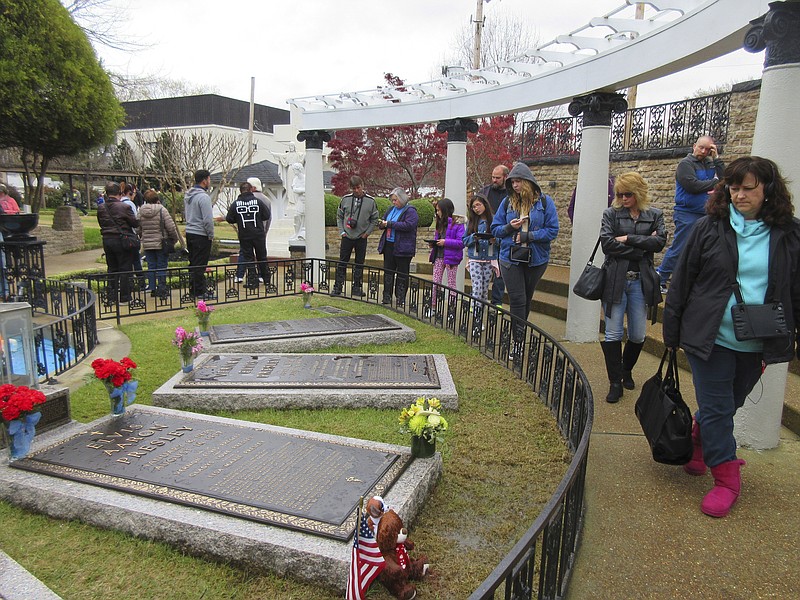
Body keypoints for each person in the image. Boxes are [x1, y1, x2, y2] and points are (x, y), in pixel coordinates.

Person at [663, 156, 800, 518]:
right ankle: (726, 478)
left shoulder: (791, 233)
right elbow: (682, 281)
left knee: (726, 405)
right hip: (710, 337)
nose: (739, 195)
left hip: (760, 340)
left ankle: (698, 440)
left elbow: (796, 290)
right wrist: (672, 330)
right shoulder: (708, 228)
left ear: (768, 190)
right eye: (733, 188)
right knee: (719, 408)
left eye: (748, 188)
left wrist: (791, 335)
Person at [598, 173, 666, 403]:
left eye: (628, 194)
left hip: (640, 280)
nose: (623, 198)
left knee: (637, 334)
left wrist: (627, 238)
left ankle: (626, 370)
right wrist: (641, 247)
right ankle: (615, 382)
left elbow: (660, 243)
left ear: (638, 193)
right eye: (619, 194)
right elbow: (607, 245)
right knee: (613, 332)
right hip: (615, 279)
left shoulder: (654, 214)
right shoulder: (611, 214)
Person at [491, 163, 559, 353]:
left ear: (528, 182)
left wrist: (529, 236)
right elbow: (495, 230)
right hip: (509, 258)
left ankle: (519, 333)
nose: (515, 185)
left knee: (527, 298)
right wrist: (509, 228)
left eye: (518, 181)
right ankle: (518, 341)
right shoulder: (507, 203)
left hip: (536, 258)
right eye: (512, 182)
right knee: (518, 298)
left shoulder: (545, 203)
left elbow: (553, 231)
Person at [657, 135, 725, 293]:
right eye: (701, 147)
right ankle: (661, 276)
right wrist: (716, 182)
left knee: (703, 249)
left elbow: (725, 179)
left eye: (707, 149)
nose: (703, 151)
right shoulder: (685, 164)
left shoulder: (710, 163)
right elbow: (692, 186)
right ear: (694, 146)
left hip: (708, 213)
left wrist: (717, 159)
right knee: (681, 246)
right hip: (687, 213)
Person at [333, 175, 379, 297]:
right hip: (347, 236)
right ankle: (337, 287)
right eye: (354, 188)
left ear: (362, 186)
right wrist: (342, 231)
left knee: (359, 263)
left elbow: (374, 219)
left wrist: (367, 233)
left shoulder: (371, 201)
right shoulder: (345, 199)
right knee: (342, 262)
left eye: (358, 187)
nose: (356, 190)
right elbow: (339, 216)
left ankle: (357, 287)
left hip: (361, 237)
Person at [96, 182, 139, 304]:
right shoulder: (124, 207)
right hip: (121, 239)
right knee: (125, 269)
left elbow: (101, 222)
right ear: (119, 193)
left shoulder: (101, 207)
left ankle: (111, 296)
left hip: (107, 239)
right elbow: (134, 223)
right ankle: (125, 297)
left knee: (112, 268)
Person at [377, 187, 418, 307]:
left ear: (402, 198)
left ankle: (400, 297)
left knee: (402, 273)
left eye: (396, 200)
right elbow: (385, 220)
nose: (394, 202)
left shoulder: (410, 211)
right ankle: (387, 296)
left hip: (403, 247)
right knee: (388, 271)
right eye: (393, 200)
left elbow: (409, 225)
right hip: (389, 244)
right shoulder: (391, 209)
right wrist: (382, 224)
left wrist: (389, 224)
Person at [226, 181, 271, 287]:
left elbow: (229, 218)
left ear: (240, 191)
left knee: (249, 258)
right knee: (262, 257)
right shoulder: (258, 202)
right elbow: (266, 215)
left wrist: (239, 219)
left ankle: (252, 281)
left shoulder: (236, 204)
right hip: (258, 234)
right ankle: (266, 279)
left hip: (244, 235)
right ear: (251, 190)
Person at [137, 190, 178, 298]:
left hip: (147, 243)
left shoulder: (141, 211)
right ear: (157, 199)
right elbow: (171, 227)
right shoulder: (162, 210)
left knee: (151, 266)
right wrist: (174, 239)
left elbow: (138, 228)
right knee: (161, 266)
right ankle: (162, 289)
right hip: (161, 242)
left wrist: (143, 236)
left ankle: (152, 288)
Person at [480, 165, 509, 305]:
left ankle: (497, 301)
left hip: (503, 238)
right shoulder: (485, 191)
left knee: (500, 273)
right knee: (484, 270)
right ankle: (480, 299)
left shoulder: (511, 194)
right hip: (486, 237)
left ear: (505, 177)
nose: (494, 180)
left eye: (498, 178)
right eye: (493, 177)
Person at [462, 193, 498, 308]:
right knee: (477, 286)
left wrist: (495, 240)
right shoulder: (472, 222)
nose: (476, 208)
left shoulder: (494, 220)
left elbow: (501, 238)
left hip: (489, 258)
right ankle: (476, 314)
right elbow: (464, 240)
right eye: (473, 206)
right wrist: (473, 238)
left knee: (484, 289)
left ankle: (479, 310)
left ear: (485, 205)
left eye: (478, 205)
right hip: (475, 259)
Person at [428, 197, 465, 309]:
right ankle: (433, 306)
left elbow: (461, 242)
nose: (437, 213)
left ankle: (451, 308)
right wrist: (433, 244)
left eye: (439, 210)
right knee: (436, 282)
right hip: (439, 256)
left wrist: (446, 242)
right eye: (436, 210)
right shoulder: (439, 224)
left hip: (452, 258)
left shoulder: (458, 224)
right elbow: (437, 238)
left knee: (451, 284)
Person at [184, 169, 215, 300]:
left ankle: (193, 290)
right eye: (209, 179)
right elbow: (207, 219)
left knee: (193, 263)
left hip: (190, 232)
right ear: (204, 180)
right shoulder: (203, 197)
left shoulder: (188, 195)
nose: (209, 182)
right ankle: (200, 291)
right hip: (201, 234)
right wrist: (210, 234)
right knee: (200, 264)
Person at [0, 184, 21, 299]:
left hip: (9, 230)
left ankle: (6, 291)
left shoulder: (10, 200)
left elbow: (16, 211)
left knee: (5, 261)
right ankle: (5, 291)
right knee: (3, 262)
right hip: (3, 230)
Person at [289, 162, 306, 242]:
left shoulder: (305, 178)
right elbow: (294, 189)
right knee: (297, 216)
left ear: (299, 169)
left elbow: (307, 189)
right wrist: (300, 190)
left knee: (304, 217)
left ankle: (302, 233)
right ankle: (297, 233)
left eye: (294, 169)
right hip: (299, 199)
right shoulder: (295, 179)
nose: (294, 171)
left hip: (305, 200)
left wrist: (299, 190)